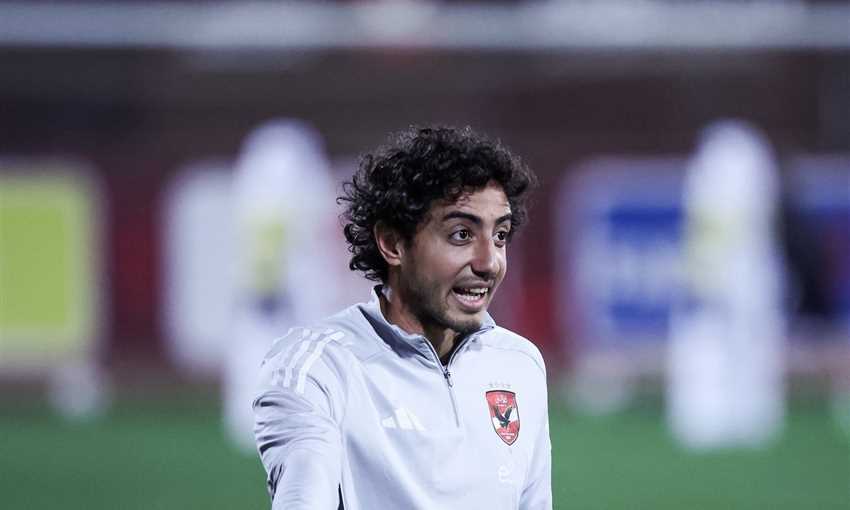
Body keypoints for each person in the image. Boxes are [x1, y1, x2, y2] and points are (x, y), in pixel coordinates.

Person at [253, 126, 552, 509]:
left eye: (500, 236)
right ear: (393, 244)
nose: (489, 262)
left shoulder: (519, 364)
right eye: (461, 235)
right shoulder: (320, 369)